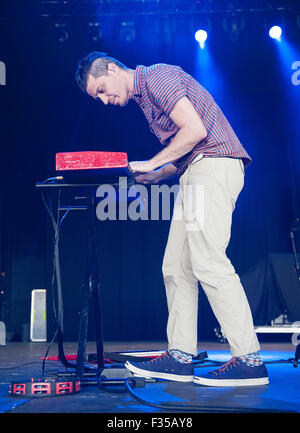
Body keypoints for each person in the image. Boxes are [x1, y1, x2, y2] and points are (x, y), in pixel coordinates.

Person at [75, 52, 269, 387]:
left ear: (111, 68)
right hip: (196, 170)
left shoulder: (156, 76)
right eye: (99, 99)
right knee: (176, 267)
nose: (105, 100)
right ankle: (180, 356)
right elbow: (183, 153)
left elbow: (194, 131)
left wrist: (150, 163)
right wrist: (154, 175)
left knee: (208, 260)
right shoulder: (146, 100)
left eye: (103, 90)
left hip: (214, 165)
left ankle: (249, 360)